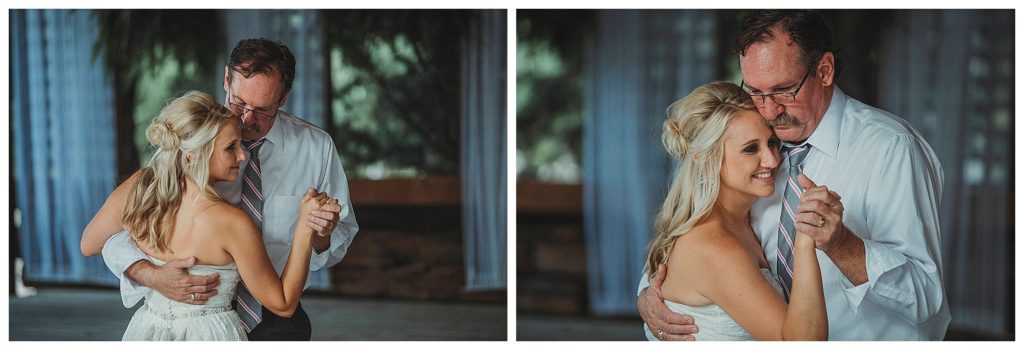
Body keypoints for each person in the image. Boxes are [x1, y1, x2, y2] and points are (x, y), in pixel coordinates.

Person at [637, 10, 950, 340]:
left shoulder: (891, 149)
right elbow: (697, 246)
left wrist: (842, 245)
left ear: (824, 71)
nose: (769, 111)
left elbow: (926, 299)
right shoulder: (749, 135)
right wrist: (649, 296)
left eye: (784, 89)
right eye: (756, 91)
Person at [82, 38, 359, 341]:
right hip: (179, 316)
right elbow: (116, 232)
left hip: (275, 319)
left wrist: (320, 231)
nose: (245, 119)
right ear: (226, 79)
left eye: (262, 110)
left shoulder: (316, 148)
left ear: (283, 98)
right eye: (239, 102)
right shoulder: (183, 144)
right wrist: (150, 274)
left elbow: (338, 238)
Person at [643, 81, 827, 341]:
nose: (773, 160)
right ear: (705, 156)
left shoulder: (743, 219)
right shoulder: (713, 246)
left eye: (772, 143)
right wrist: (806, 240)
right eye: (751, 149)